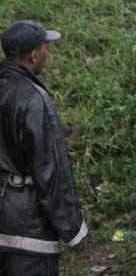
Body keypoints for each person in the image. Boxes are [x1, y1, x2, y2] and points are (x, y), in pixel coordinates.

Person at [0, 20, 87, 275]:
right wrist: (73, 230)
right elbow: (50, 172)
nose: (47, 52)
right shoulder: (34, 99)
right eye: (46, 47)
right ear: (34, 54)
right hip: (28, 232)